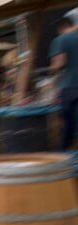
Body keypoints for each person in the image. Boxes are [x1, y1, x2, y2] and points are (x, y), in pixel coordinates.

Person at [48, 8, 78, 149]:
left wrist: (52, 68)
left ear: (61, 28)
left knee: (67, 122)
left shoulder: (60, 40)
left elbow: (59, 63)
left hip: (68, 87)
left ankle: (66, 153)